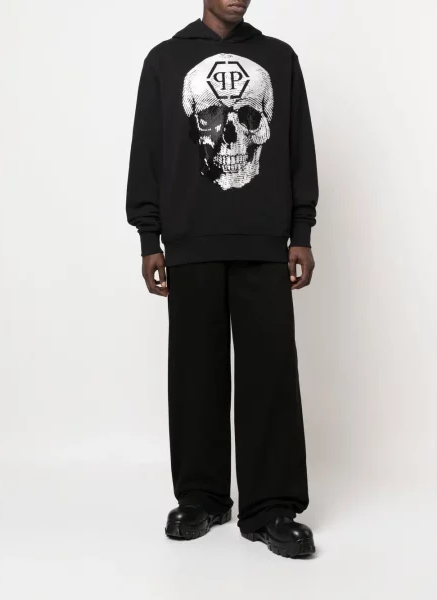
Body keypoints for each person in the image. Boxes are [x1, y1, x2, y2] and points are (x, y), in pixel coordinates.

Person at [126, 0, 319, 559]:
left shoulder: (279, 59)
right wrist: (149, 236)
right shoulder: (165, 60)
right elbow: (148, 150)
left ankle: (272, 506)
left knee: (270, 376)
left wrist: (301, 230)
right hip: (189, 242)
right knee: (195, 374)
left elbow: (298, 146)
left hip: (264, 242)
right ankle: (202, 497)